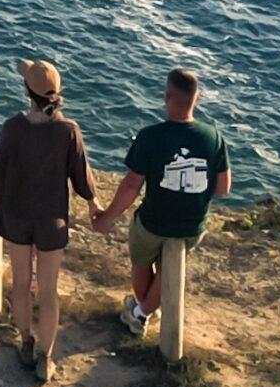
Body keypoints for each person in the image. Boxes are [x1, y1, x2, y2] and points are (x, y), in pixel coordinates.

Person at [94, 66, 231, 336]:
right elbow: (223, 188)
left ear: (166, 97)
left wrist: (107, 218)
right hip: (192, 227)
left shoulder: (151, 136)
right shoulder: (214, 137)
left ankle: (141, 312)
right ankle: (142, 311)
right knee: (171, 267)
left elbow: (132, 185)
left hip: (153, 223)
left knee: (142, 259)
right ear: (197, 98)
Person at [0, 57, 94, 382]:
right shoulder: (68, 131)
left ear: (26, 91)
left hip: (16, 217)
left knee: (20, 283)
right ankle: (46, 358)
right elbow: (82, 182)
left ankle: (26, 342)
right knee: (48, 290)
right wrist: (95, 205)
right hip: (52, 221)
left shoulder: (12, 128)